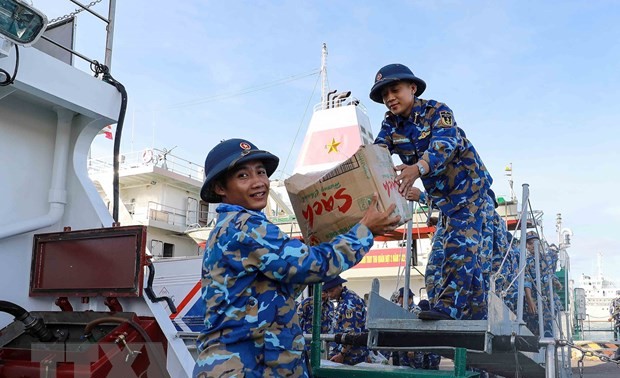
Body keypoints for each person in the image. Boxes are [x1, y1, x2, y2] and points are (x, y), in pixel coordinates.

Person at [192, 138, 401, 378]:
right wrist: (364, 230)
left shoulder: (233, 227)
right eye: (243, 176)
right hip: (247, 367)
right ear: (220, 188)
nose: (258, 182)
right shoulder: (245, 226)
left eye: (261, 172)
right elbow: (312, 266)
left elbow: (284, 285)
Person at [370, 63, 492, 321]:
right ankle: (478, 314)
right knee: (463, 254)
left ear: (412, 88)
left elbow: (445, 144)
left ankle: (448, 308)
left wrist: (418, 168)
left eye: (395, 90)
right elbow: (378, 151)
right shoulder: (391, 124)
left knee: (459, 248)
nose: (390, 98)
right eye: (384, 95)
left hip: (468, 190)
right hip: (443, 199)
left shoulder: (438, 111)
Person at [323, 276, 368, 365]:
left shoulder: (350, 302)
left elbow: (351, 332)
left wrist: (342, 354)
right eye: (327, 292)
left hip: (350, 355)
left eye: (331, 291)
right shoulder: (342, 300)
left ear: (340, 286)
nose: (329, 295)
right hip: (343, 352)